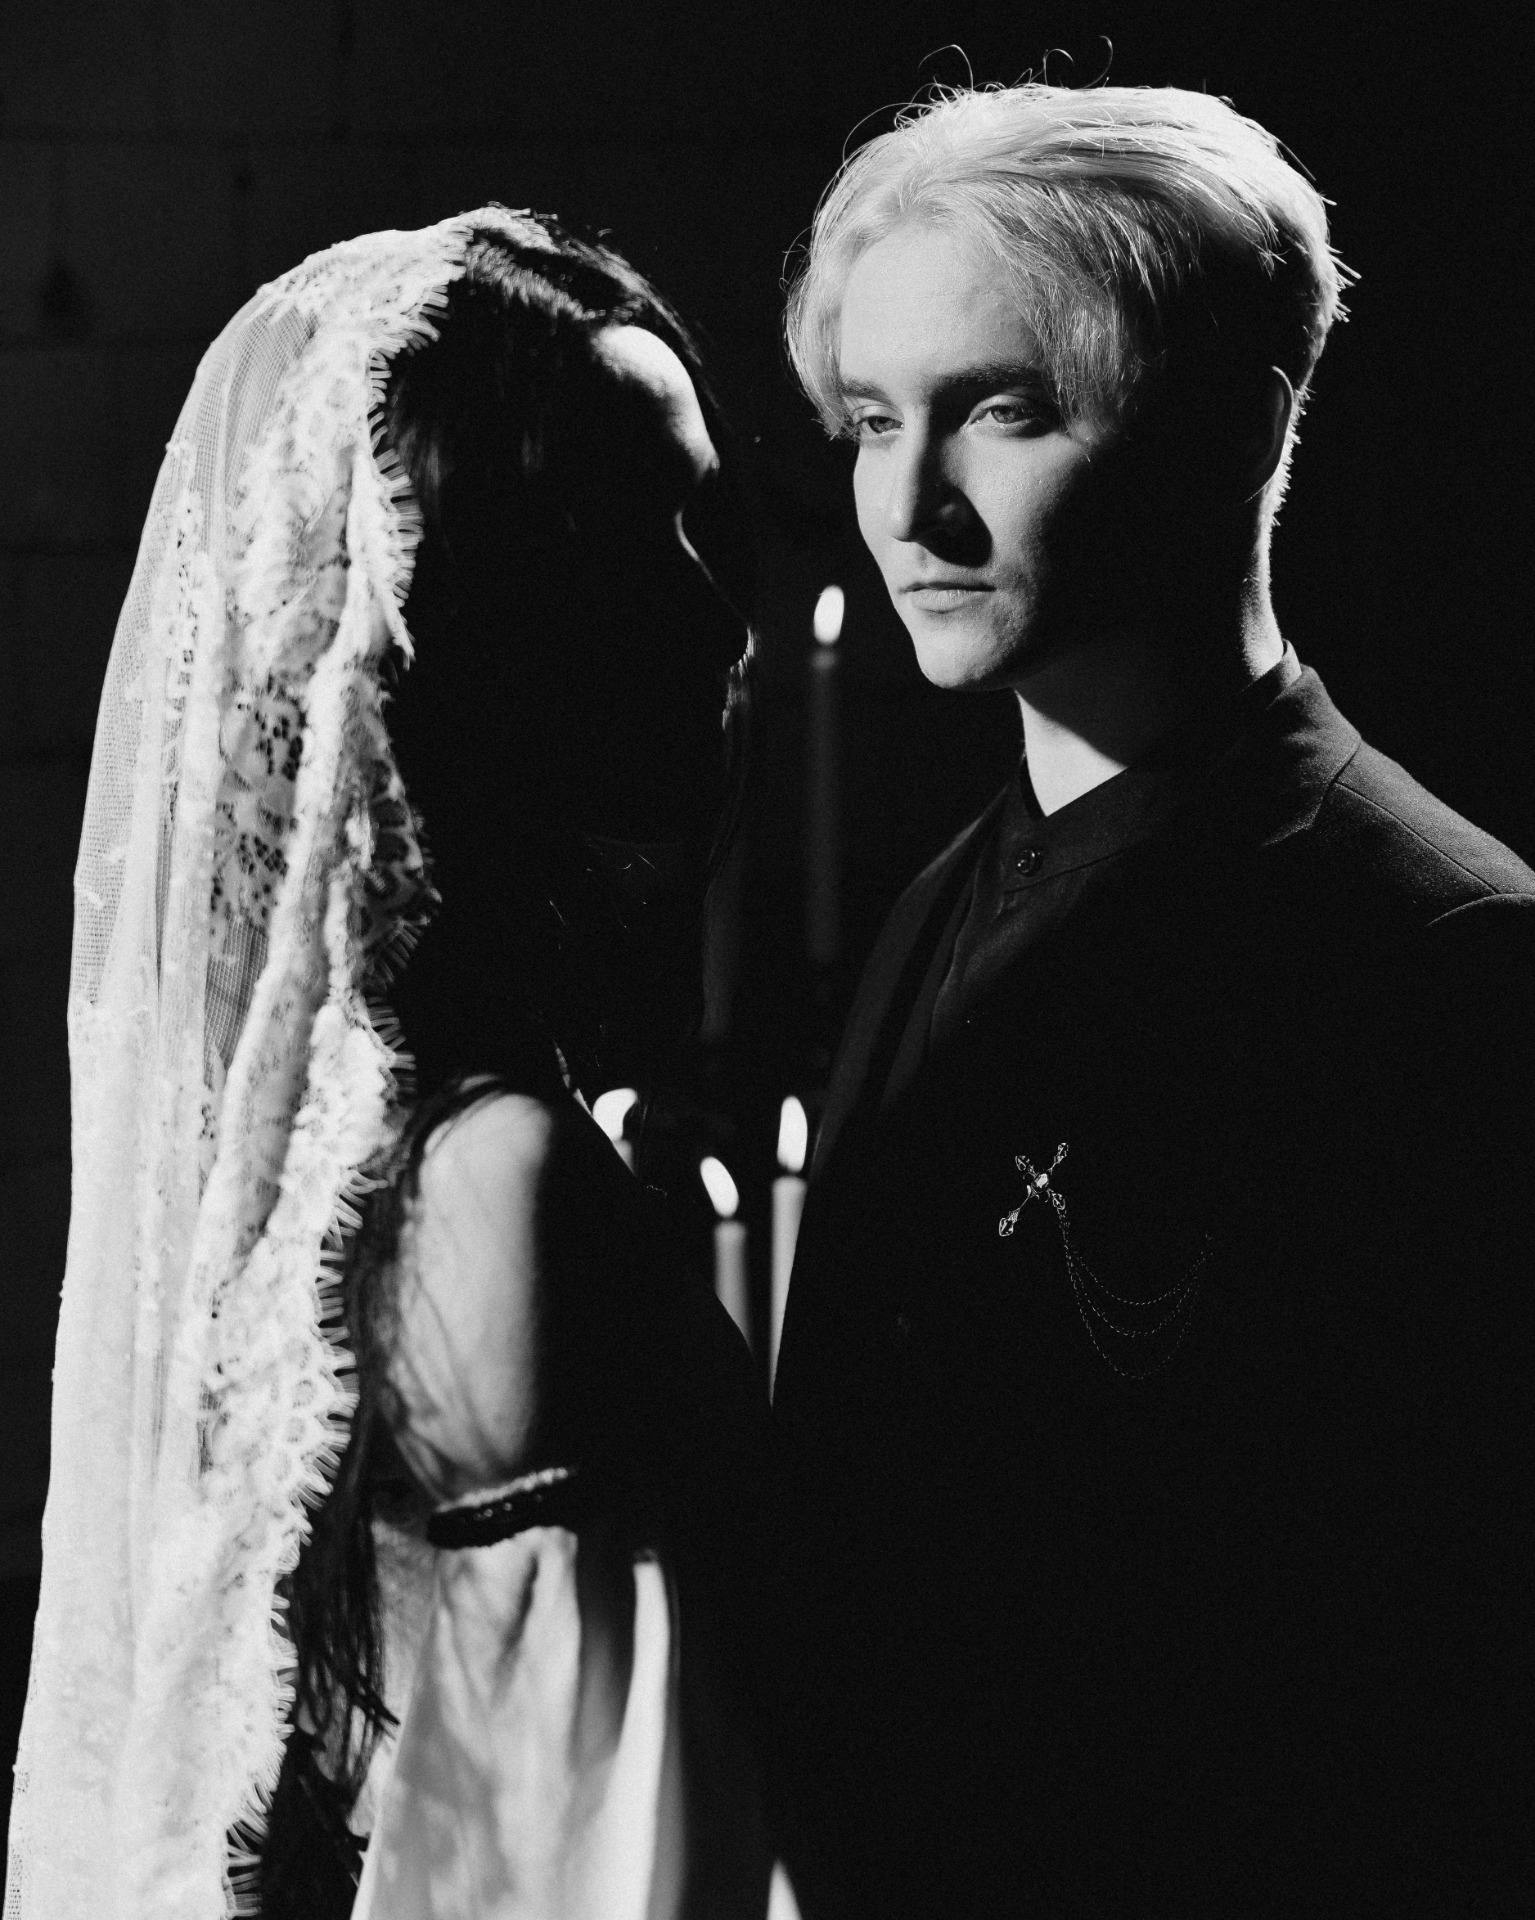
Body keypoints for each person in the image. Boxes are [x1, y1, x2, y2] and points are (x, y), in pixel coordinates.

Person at [766, 84, 1533, 1916]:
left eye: (1002, 412)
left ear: (1241, 424)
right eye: (873, 422)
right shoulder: (936, 900)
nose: (908, 507)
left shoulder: (1442, 955)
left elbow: (1424, 1696)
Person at [8, 208, 772, 1920]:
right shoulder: (493, 1180)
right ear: (451, 616)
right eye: (617, 538)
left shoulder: (329, 1145)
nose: (715, 616)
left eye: (701, 524)